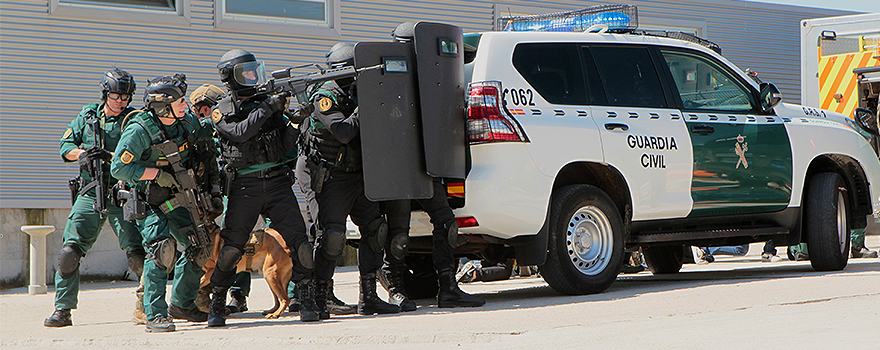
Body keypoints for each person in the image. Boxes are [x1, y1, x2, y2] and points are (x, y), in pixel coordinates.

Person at [379, 22, 485, 311]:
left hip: (429, 166)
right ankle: (396, 290)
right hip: (401, 166)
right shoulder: (386, 72)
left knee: (447, 223)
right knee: (398, 232)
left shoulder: (435, 75)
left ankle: (449, 288)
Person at [209, 49, 313, 326]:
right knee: (231, 248)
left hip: (278, 182)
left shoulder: (267, 103)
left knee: (299, 242)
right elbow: (240, 133)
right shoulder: (222, 110)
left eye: (255, 70)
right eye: (247, 72)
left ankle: (307, 300)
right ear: (230, 77)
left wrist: (295, 121)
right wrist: (268, 108)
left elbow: (284, 144)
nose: (254, 76)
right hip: (245, 186)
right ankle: (217, 303)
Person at [110, 74, 219, 332]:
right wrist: (157, 174)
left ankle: (181, 304)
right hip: (149, 199)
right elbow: (119, 168)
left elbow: (208, 132)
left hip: (178, 197)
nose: (185, 105)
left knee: (200, 246)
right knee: (161, 249)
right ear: (163, 106)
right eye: (180, 101)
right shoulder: (140, 129)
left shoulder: (185, 121)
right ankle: (154, 314)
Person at [298, 42, 400, 316]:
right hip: (332, 175)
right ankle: (321, 297)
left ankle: (369, 297)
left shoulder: (357, 92)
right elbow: (343, 132)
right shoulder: (325, 96)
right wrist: (365, 105)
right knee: (332, 236)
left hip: (359, 174)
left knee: (375, 231)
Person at [44, 68, 147, 328]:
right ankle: (63, 309)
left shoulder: (134, 120)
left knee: (137, 254)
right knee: (70, 251)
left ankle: (147, 304)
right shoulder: (88, 114)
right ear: (105, 93)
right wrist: (83, 155)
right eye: (116, 96)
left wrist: (110, 156)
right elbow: (64, 147)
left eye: (126, 97)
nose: (121, 101)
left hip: (121, 192)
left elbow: (142, 154)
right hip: (90, 190)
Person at [188, 84, 253, 315]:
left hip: (242, 191)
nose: (205, 113)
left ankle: (238, 294)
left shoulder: (234, 126)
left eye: (209, 108)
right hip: (209, 199)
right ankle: (204, 296)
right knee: (207, 247)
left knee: (245, 243)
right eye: (200, 109)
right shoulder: (198, 132)